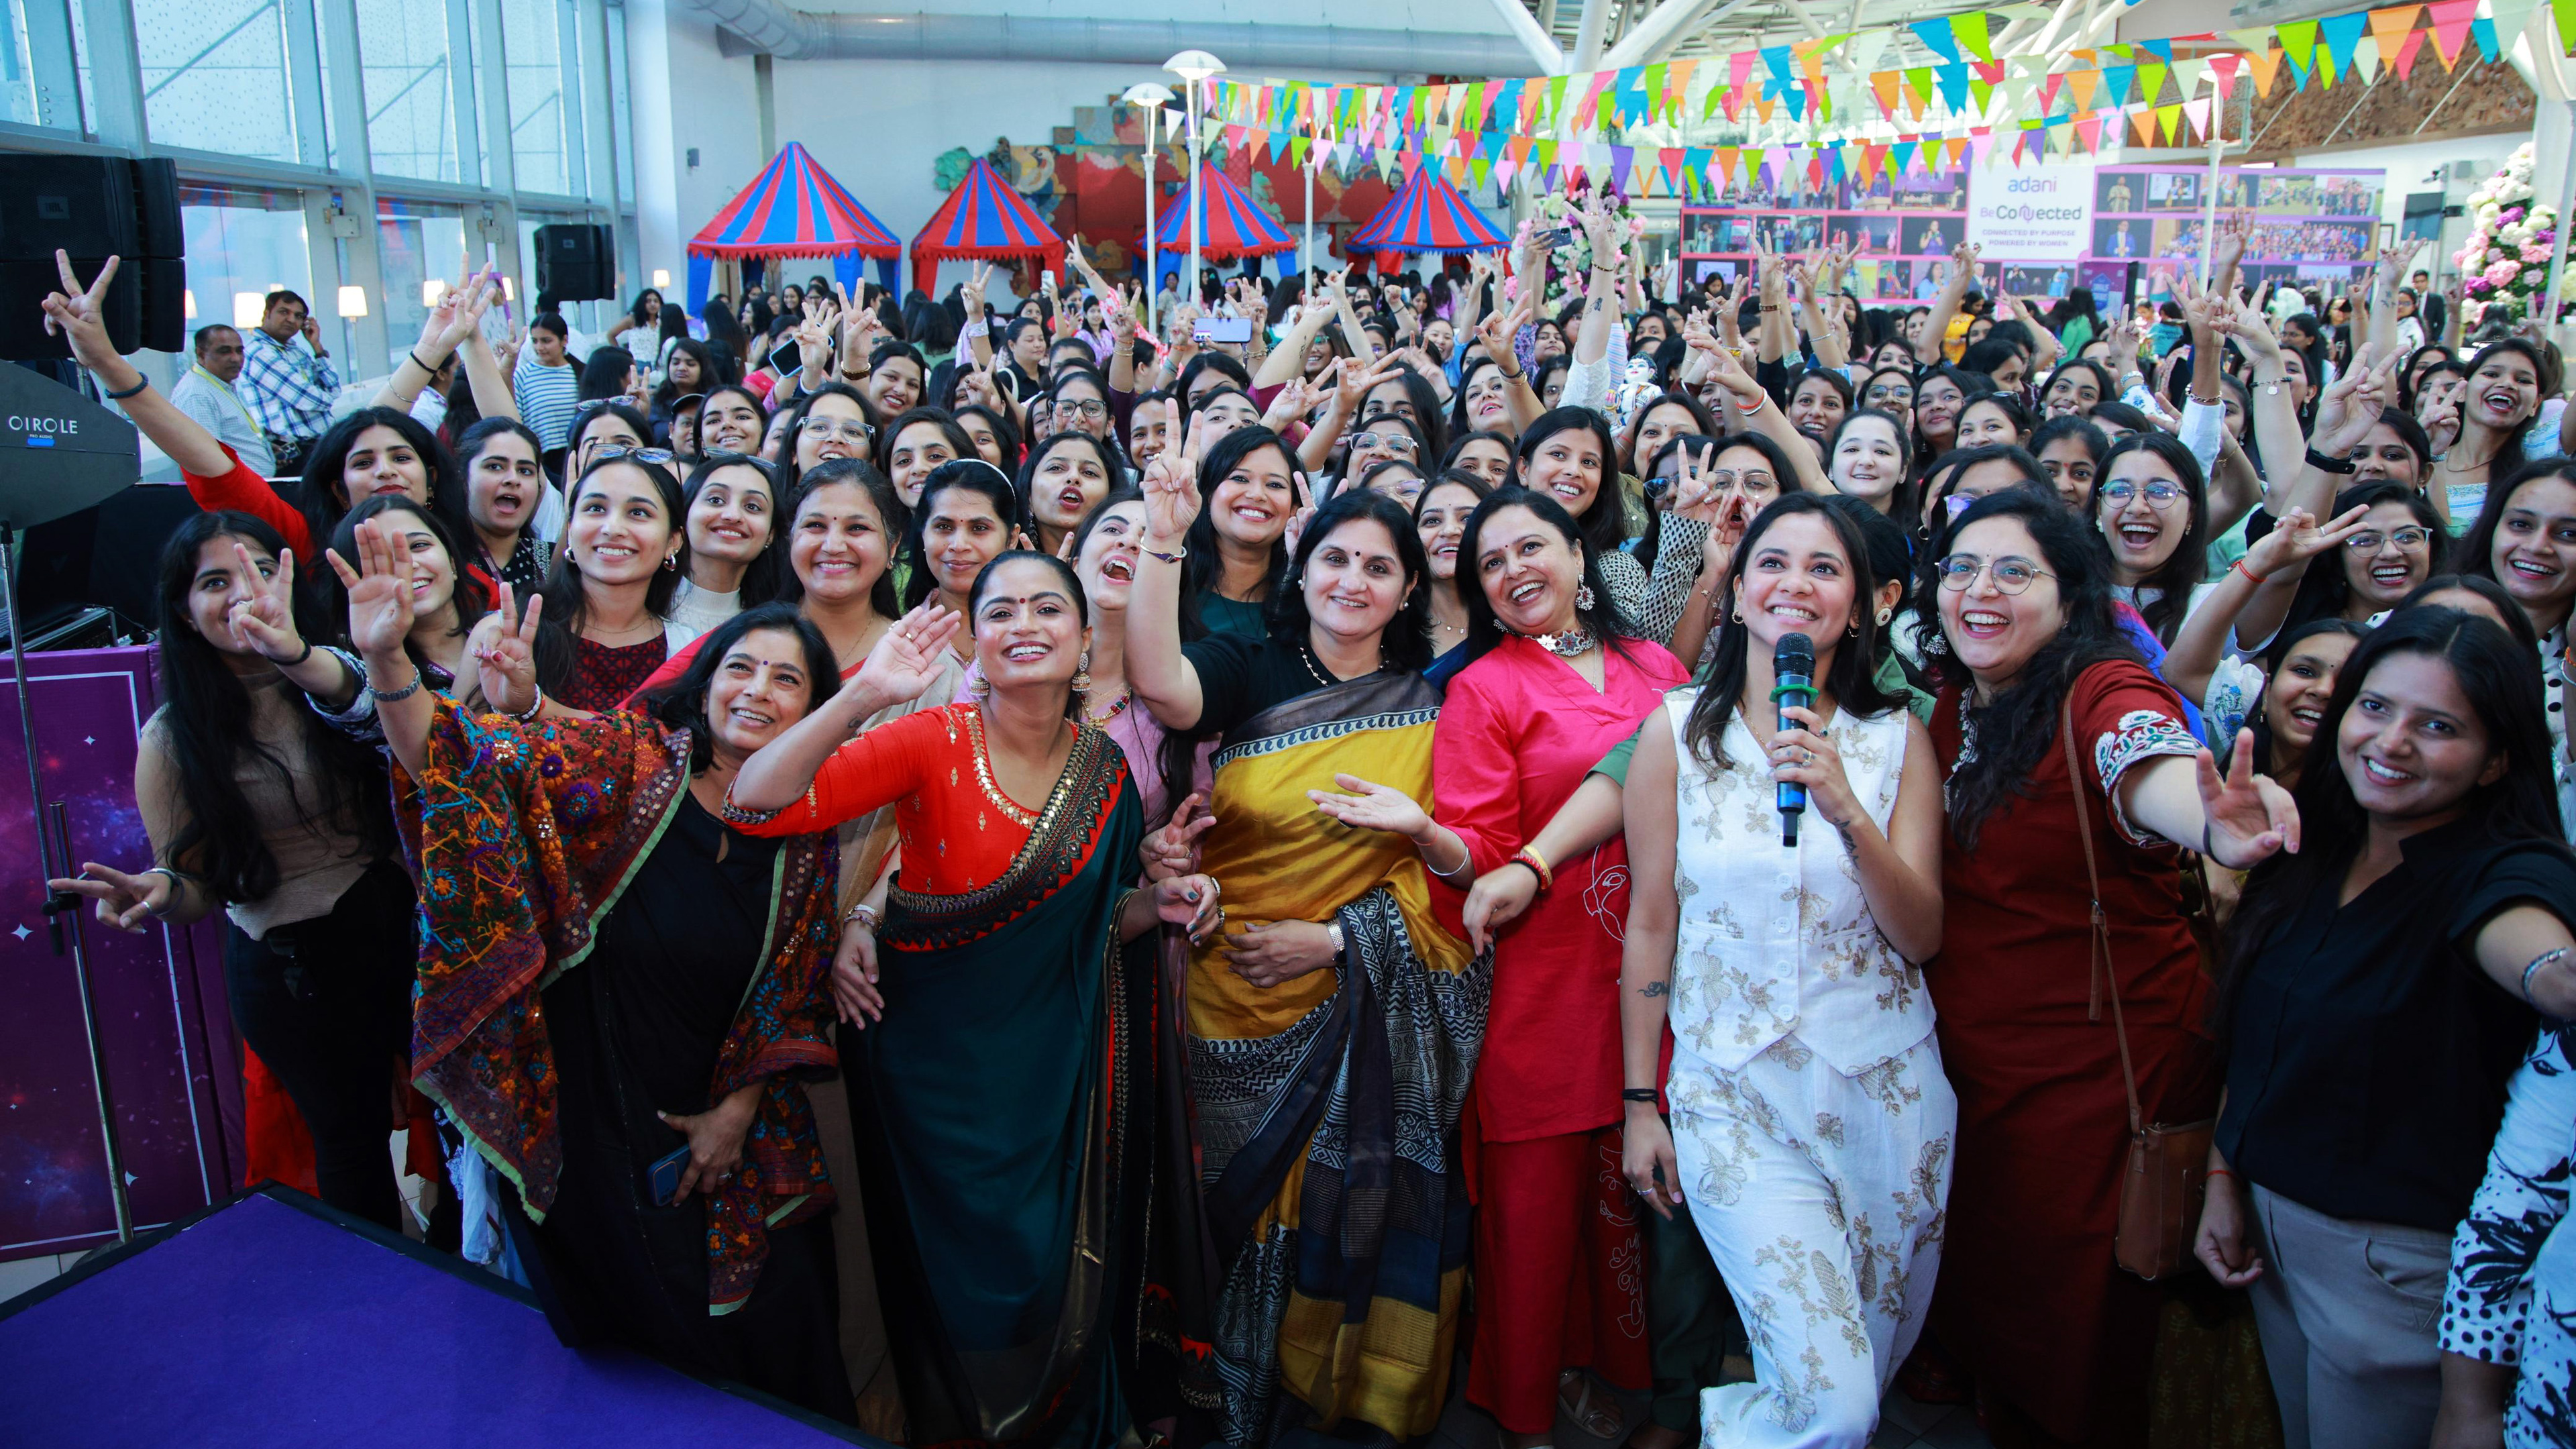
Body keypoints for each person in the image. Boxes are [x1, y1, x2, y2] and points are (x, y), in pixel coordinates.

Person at [725, 558, 1220, 1448]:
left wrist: (1167, 903)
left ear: (1082, 641)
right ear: (973, 641)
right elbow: (757, 804)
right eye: (1000, 610)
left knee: (1051, 1279)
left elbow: (1102, 927)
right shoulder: (931, 741)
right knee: (958, 1292)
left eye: (1047, 607)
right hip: (933, 1088)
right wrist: (862, 697)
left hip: (1056, 1082)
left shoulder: (1106, 769)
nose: (1024, 623)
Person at [363, 564, 862, 1419]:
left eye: (788, 679)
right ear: (703, 688)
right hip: (595, 1120)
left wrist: (737, 1112)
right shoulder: (626, 762)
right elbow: (450, 760)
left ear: (815, 709)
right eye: (740, 668)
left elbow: (796, 993)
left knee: (779, 1346)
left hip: (734, 1141)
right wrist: (383, 662)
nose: (757, 691)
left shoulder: (809, 832)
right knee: (629, 1369)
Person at [1128, 425, 1489, 1448]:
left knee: (1338, 1214)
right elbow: (1164, 690)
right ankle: (1217, 1403)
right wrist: (1164, 540)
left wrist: (1337, 944)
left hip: (1361, 1008)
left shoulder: (1439, 703)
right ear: (1302, 562)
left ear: (1412, 588)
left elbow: (1456, 870)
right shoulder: (1249, 663)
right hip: (1230, 996)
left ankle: (1325, 1408)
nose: (1354, 579)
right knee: (1230, 1215)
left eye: (1381, 565)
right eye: (1335, 556)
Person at [1919, 486, 2298, 1445]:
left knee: (2081, 1337)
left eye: (2014, 571)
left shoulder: (2102, 689)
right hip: (1979, 1079)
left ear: (2070, 593)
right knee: (1998, 1308)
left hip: (2098, 1082)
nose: (1979, 590)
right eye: (1962, 568)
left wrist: (2208, 819)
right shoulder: (1959, 706)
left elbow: (2148, 764)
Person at [1615, 493, 1952, 1445]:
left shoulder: (1896, 743)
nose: (1794, 585)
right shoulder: (1675, 733)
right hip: (1732, 1094)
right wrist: (1643, 1101)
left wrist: (1848, 812)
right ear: (1741, 587)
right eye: (1773, 562)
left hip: (1887, 1094)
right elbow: (1649, 925)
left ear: (1861, 602)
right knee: (1834, 1406)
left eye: (1824, 567)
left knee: (1860, 1384)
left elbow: (1922, 935)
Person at [2197, 608, 2576, 1449]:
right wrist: (2225, 1176)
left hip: (2392, 1277)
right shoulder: (2313, 843)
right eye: (2376, 708)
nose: (2392, 742)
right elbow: (2258, 1032)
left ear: (2498, 759)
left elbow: (2537, 957)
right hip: (2270, 1237)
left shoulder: (2506, 871)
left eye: (2438, 726)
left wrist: (2557, 975)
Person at [50, 512, 408, 1229]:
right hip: (290, 973)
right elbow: (193, 888)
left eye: (254, 572)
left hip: (400, 932)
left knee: (467, 1116)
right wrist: (159, 893)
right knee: (352, 1147)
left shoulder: (336, 669)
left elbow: (376, 711)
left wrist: (299, 655)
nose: (241, 594)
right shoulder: (173, 737)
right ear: (184, 610)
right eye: (215, 582)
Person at [1435, 485, 1688, 1449]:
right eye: (1491, 564)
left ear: (1583, 557)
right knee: (1535, 1223)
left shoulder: (1657, 664)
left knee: (1633, 1215)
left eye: (1530, 547)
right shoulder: (1481, 689)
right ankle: (1530, 1410)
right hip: (1539, 993)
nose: (1514, 572)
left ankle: (1636, 1385)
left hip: (1663, 985)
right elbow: (1478, 848)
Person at [237, 287, 341, 474]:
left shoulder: (296, 351)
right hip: (293, 455)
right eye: (284, 312)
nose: (292, 319)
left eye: (299, 316)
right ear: (267, 314)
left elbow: (334, 389)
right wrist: (325, 397)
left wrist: (317, 347)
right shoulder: (259, 353)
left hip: (317, 448)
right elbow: (310, 399)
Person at [169, 323, 275, 478]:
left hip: (256, 485)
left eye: (240, 351)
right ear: (201, 354)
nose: (236, 358)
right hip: (238, 493)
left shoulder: (221, 384)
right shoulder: (197, 394)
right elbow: (207, 459)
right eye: (225, 351)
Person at [514, 313, 584, 456]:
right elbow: (516, 421)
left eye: (546, 341)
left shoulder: (581, 372)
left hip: (580, 454)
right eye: (535, 341)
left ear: (564, 340)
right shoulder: (523, 375)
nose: (539, 347)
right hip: (541, 459)